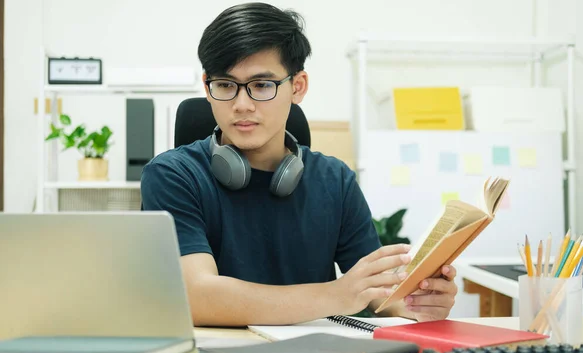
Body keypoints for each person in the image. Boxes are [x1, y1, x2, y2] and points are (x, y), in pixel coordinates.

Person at [140, 2, 458, 327]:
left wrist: (418, 302)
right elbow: (196, 296)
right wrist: (335, 295)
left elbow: (377, 294)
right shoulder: (172, 175)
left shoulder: (335, 180)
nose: (242, 105)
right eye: (225, 85)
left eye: (262, 85)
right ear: (207, 86)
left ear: (298, 87)